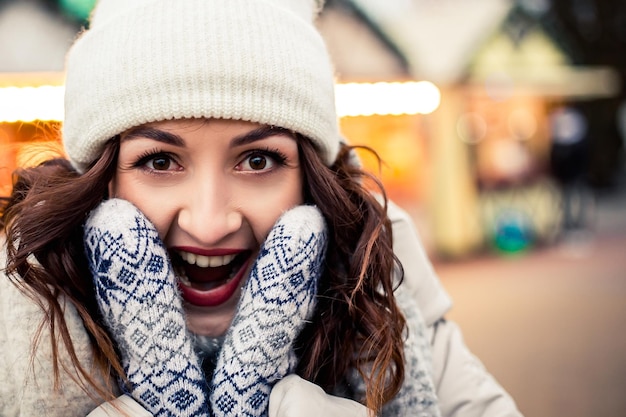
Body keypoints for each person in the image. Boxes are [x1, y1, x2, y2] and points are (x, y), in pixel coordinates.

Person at [0, 0, 524, 416]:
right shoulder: (16, 317)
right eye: (160, 161)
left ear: (311, 182)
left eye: (257, 160)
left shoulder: (384, 288)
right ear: (102, 184)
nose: (209, 223)